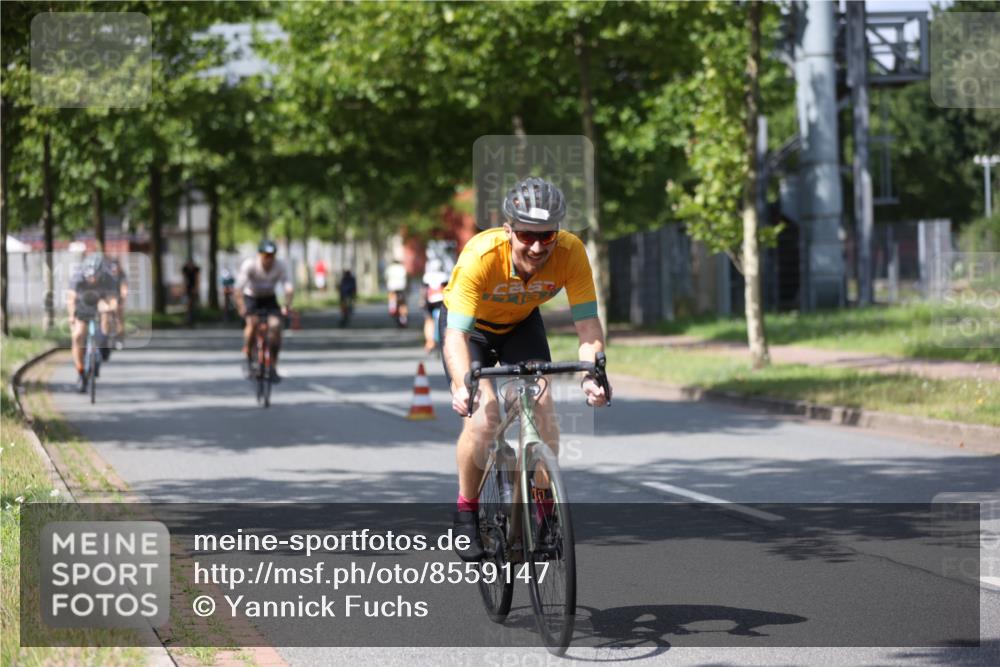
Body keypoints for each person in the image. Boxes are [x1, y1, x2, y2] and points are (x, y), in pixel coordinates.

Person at [440, 176, 610, 561]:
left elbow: (588, 327)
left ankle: (543, 507)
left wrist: (590, 375)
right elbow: (455, 337)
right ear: (508, 229)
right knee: (484, 418)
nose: (536, 246)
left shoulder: (572, 252)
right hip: (472, 332)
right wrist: (460, 385)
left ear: (559, 232)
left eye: (547, 236)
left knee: (542, 403)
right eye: (526, 235)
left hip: (520, 325)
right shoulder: (481, 257)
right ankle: (466, 510)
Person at [235, 240, 294, 382]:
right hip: (252, 298)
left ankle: (273, 366)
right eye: (265, 255)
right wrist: (241, 307)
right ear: (259, 255)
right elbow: (238, 289)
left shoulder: (279, 266)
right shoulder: (250, 265)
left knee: (275, 326)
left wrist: (287, 304)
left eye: (271, 255)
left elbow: (288, 287)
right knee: (253, 323)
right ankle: (249, 355)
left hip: (269, 298)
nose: (269, 258)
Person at [66, 254, 117, 392]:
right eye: (89, 277)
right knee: (77, 336)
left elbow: (113, 301)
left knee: (106, 314)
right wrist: (71, 316)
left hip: (100, 302)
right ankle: (81, 373)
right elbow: (71, 300)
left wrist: (110, 307)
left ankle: (103, 341)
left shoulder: (109, 278)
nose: (92, 279)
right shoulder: (77, 278)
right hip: (82, 305)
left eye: (95, 277)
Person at [421, 258, 449, 353]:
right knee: (445, 321)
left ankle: (429, 342)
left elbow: (424, 291)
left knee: (428, 320)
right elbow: (447, 289)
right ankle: (446, 341)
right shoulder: (444, 276)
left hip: (430, 302)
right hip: (442, 301)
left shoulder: (427, 276)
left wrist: (422, 301)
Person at [105, 256, 127, 350]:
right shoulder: (106, 276)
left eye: (116, 267)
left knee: (118, 319)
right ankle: (105, 339)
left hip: (117, 299)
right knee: (105, 318)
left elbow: (124, 290)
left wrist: (121, 300)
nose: (114, 269)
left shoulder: (122, 276)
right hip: (107, 298)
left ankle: (119, 339)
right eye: (112, 267)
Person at [385, 258, 409, 327]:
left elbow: (386, 277)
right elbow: (406, 277)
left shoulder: (390, 268)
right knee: (403, 303)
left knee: (392, 296)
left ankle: (392, 306)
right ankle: (403, 318)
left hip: (392, 287)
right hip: (401, 287)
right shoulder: (402, 268)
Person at [182, 258, 200, 326]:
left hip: (193, 287)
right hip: (187, 287)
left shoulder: (196, 269)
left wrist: (196, 288)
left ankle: (191, 318)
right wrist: (184, 288)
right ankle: (188, 317)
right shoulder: (184, 269)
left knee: (192, 303)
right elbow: (184, 278)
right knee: (188, 303)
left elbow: (197, 279)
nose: (190, 266)